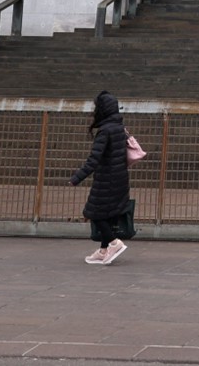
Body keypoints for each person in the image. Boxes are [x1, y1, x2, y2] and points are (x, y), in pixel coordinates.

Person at [69, 90, 132, 266]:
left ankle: (114, 243)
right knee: (108, 214)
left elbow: (94, 159)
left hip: (106, 179)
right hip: (120, 177)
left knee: (94, 213)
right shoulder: (119, 127)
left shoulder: (105, 131)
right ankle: (104, 251)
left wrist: (76, 178)